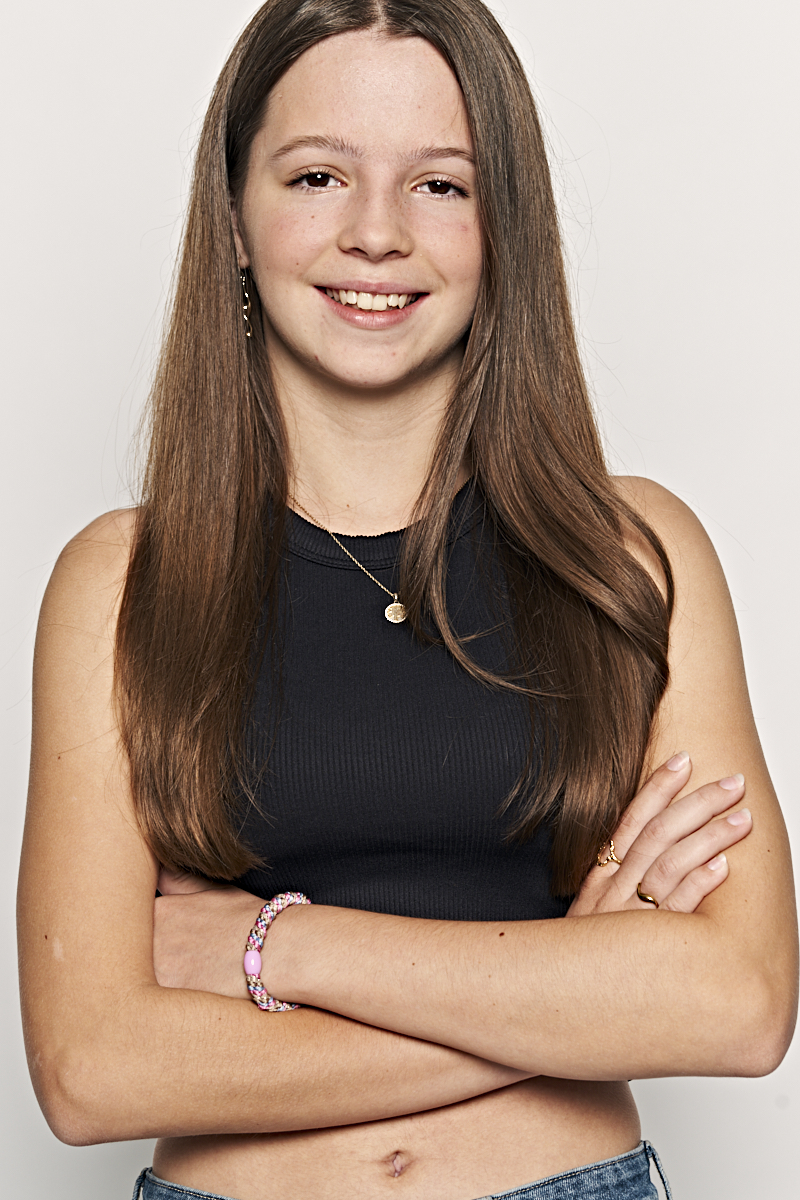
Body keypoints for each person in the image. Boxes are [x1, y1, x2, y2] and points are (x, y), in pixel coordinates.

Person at [17, 1, 797, 1198]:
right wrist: (575, 988)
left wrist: (276, 947)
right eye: (316, 176)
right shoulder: (121, 583)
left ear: (502, 227)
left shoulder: (627, 555)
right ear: (233, 217)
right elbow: (91, 1074)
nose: (375, 234)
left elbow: (738, 1006)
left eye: (439, 185)